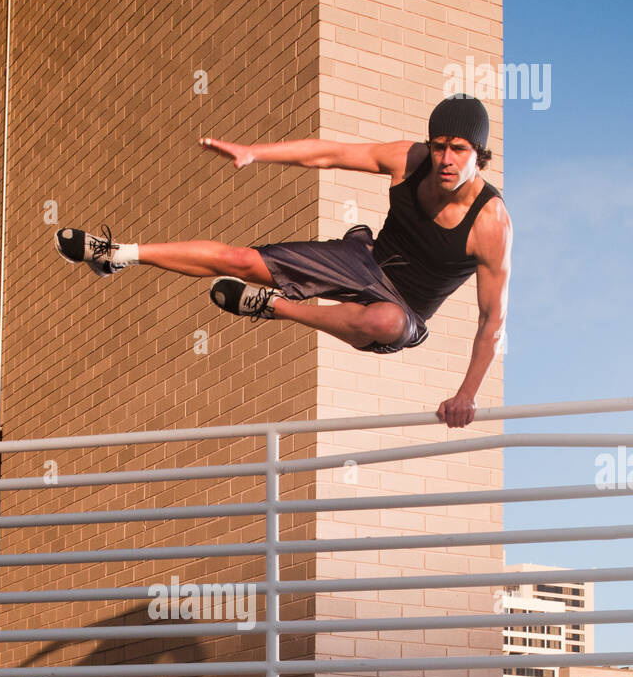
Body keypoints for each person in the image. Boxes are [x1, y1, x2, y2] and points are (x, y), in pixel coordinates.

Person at [56, 94, 511, 429]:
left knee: (387, 321)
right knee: (240, 260)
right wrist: (256, 152)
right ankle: (118, 255)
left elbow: (492, 319)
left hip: (406, 309)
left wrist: (466, 394)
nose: (445, 160)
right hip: (364, 260)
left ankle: (271, 307)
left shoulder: (491, 224)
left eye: (459, 149)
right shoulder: (410, 160)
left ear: (479, 154)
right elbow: (329, 153)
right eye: (439, 146)